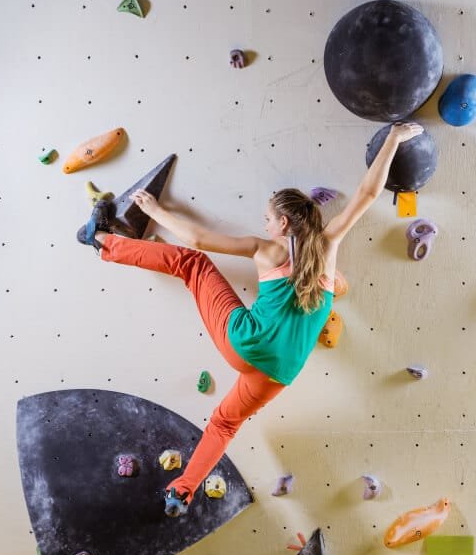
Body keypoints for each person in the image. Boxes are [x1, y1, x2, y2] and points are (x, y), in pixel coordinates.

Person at [76, 122, 424, 516]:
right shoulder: (329, 245)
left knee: (192, 264)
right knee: (224, 424)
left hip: (246, 342)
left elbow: (198, 242)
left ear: (284, 225)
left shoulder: (269, 249)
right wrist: (394, 138)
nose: (264, 225)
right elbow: (368, 193)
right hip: (279, 372)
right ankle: (182, 492)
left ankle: (101, 240)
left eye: (268, 219)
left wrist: (157, 211)